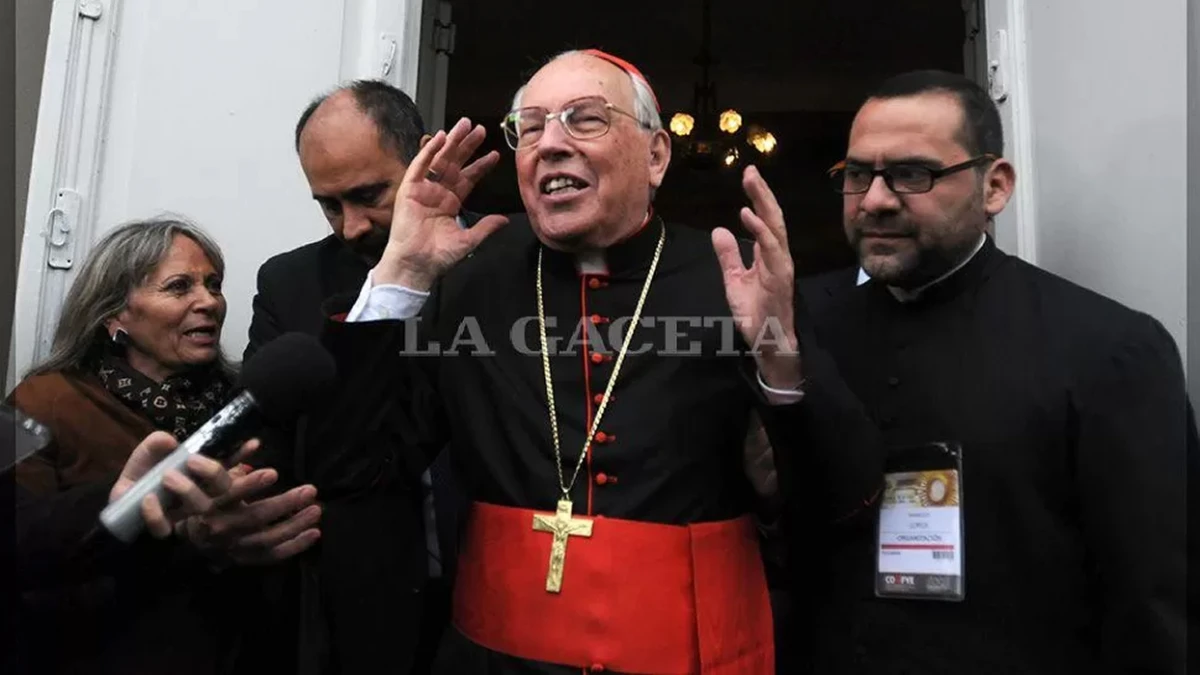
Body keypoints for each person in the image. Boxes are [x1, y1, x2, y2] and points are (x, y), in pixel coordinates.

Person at [301, 49, 882, 674]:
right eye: (530, 126)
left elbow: (843, 502)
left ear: (656, 156)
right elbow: (354, 470)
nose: (550, 144)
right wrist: (401, 275)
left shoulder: (735, 276)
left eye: (584, 119)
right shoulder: (468, 278)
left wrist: (781, 358)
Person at [793, 70, 1192, 674]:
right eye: (857, 175)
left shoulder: (1109, 349)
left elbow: (1154, 602)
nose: (875, 199)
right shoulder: (808, 333)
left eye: (912, 173)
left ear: (995, 186)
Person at [8, 217, 321, 675]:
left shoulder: (246, 407)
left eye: (213, 284)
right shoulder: (46, 400)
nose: (209, 302)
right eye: (179, 287)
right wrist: (139, 515)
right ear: (115, 314)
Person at [247, 81, 467, 674]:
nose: (351, 226)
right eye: (328, 204)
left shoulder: (505, 266)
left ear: (427, 158)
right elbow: (270, 444)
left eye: (369, 195)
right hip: (358, 619)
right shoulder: (288, 285)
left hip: (495, 607)